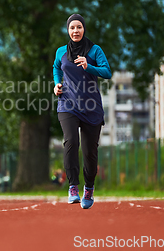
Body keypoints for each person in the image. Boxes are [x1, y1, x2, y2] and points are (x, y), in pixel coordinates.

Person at [52, 14, 112, 209]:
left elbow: (107, 72)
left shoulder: (95, 50)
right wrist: (57, 84)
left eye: (79, 27)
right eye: (72, 28)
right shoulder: (61, 51)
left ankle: (89, 188)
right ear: (68, 31)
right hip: (67, 104)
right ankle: (72, 187)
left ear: (83, 29)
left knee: (90, 152)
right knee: (70, 141)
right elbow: (56, 68)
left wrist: (89, 66)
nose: (75, 31)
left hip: (91, 107)